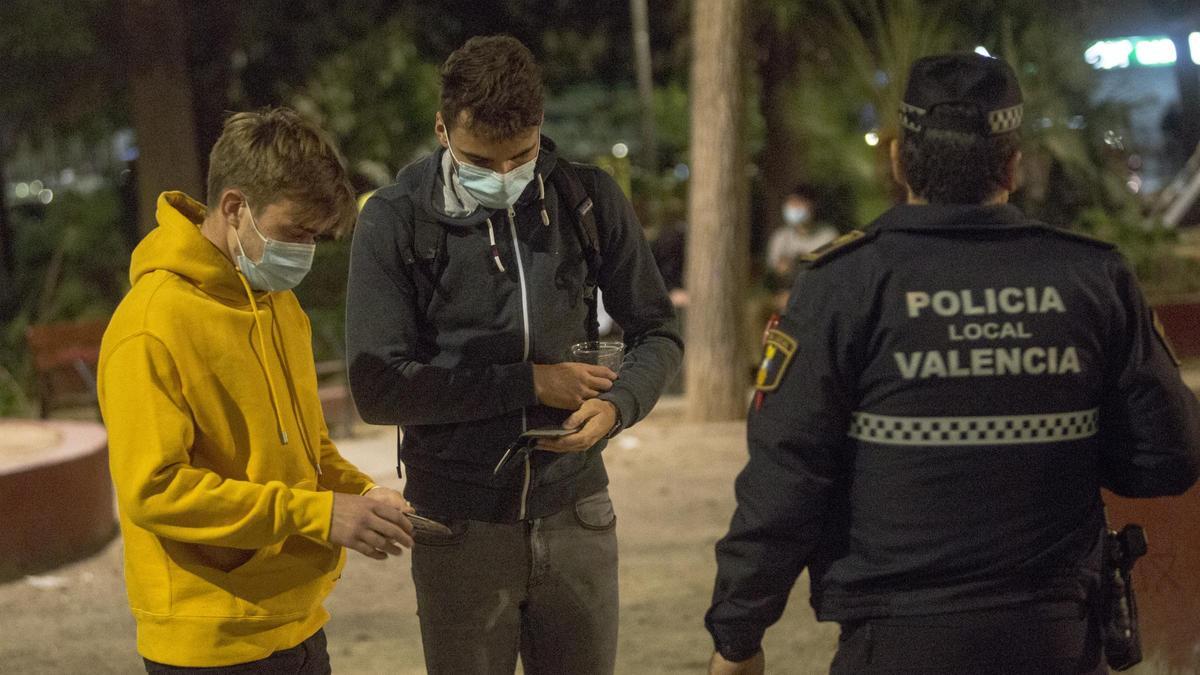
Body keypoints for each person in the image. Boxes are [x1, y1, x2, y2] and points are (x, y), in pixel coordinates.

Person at [705, 52, 1200, 675]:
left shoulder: (845, 283)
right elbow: (1170, 458)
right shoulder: (1092, 276)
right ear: (1014, 165)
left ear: (898, 160)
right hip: (1057, 638)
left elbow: (788, 476)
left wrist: (738, 633)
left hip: (896, 639)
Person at [346, 35, 682, 674]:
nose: (503, 177)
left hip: (577, 511)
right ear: (442, 129)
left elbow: (657, 331)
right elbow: (380, 389)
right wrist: (529, 383)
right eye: (480, 160)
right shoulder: (394, 219)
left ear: (541, 130)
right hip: (456, 522)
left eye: (520, 157)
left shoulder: (588, 199)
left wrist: (619, 406)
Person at [98, 107, 414, 673]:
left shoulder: (276, 302)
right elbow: (155, 491)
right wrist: (317, 515)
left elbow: (309, 448)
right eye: (296, 232)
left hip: (297, 623)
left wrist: (362, 496)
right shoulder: (150, 324)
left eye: (315, 237)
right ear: (235, 207)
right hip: (208, 643)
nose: (306, 252)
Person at [764, 186, 837, 306]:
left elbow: (831, 273)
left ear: (813, 205)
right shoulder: (781, 236)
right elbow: (773, 273)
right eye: (791, 203)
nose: (794, 207)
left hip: (818, 297)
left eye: (799, 203)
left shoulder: (828, 235)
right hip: (784, 297)